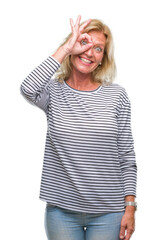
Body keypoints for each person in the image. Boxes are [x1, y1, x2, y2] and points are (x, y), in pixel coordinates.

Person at [21, 15, 137, 240]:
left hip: (109, 212)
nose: (89, 53)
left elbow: (126, 155)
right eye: (84, 43)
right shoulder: (53, 92)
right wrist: (66, 48)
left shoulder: (117, 96)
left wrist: (130, 207)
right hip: (61, 211)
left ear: (103, 58)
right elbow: (27, 88)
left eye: (98, 49)